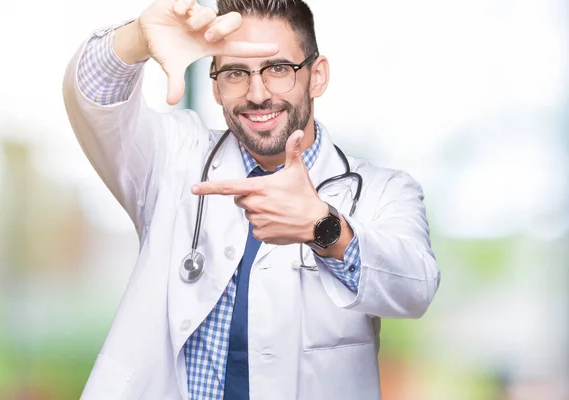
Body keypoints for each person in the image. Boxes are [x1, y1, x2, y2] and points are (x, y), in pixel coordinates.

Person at [62, 0, 441, 398]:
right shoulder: (173, 156)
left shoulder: (384, 191)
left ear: (317, 76)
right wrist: (137, 37)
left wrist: (324, 227)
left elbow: (415, 288)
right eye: (235, 72)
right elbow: (95, 100)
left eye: (278, 69)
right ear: (214, 86)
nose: (257, 94)